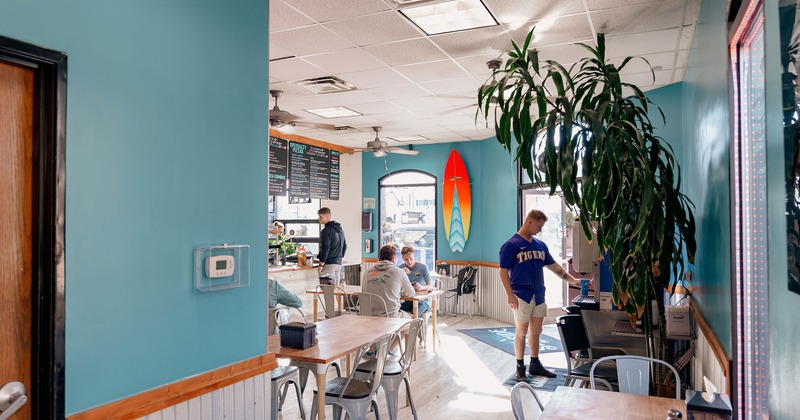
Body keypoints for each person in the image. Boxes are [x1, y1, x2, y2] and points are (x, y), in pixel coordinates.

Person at [499, 209, 583, 382]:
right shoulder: (511, 245)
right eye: (539, 226)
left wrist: (572, 280)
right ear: (530, 221)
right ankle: (520, 367)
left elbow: (554, 266)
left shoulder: (540, 245)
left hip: (538, 295)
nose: (540, 230)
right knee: (521, 331)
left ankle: (535, 363)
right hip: (521, 295)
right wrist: (510, 295)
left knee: (536, 331)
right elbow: (503, 272)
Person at [362, 244, 415, 317]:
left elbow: (364, 291)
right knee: (413, 318)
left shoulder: (367, 272)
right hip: (390, 317)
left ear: (380, 258)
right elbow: (411, 293)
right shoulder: (399, 272)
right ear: (393, 259)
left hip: (368, 316)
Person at [398, 246, 433, 317]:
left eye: (411, 259)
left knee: (414, 313)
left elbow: (430, 286)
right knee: (394, 310)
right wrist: (401, 273)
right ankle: (405, 327)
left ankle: (414, 326)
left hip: (423, 301)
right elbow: (397, 286)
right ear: (402, 259)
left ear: (414, 256)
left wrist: (421, 287)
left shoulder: (423, 267)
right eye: (406, 259)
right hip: (408, 301)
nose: (409, 261)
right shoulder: (401, 268)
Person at [317, 207, 347, 284]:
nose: (319, 218)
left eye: (321, 217)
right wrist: (339, 257)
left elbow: (325, 248)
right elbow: (345, 246)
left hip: (329, 264)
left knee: (326, 290)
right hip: (338, 263)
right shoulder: (340, 230)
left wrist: (321, 264)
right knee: (335, 290)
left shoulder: (326, 231)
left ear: (327, 217)